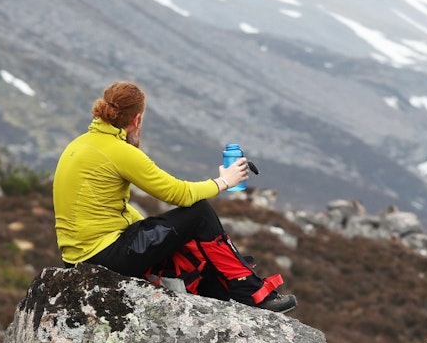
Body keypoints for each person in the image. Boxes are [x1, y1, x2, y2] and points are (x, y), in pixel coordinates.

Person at [52, 80, 296, 313]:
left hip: (79, 258)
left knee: (176, 232)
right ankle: (251, 293)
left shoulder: (79, 144)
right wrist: (224, 182)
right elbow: (179, 194)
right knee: (199, 214)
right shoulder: (119, 152)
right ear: (137, 119)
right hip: (105, 257)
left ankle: (226, 293)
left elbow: (109, 209)